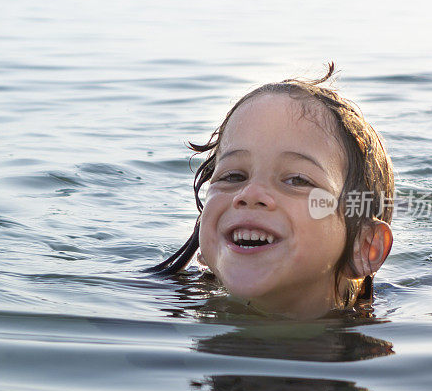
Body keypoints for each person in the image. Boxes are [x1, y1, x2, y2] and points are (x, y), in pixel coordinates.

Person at [149, 63, 394, 319]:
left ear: (365, 248)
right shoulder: (160, 308)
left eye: (297, 180)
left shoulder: (393, 337)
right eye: (233, 176)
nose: (250, 194)